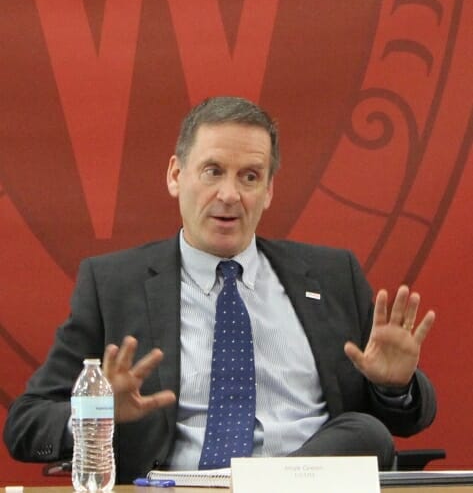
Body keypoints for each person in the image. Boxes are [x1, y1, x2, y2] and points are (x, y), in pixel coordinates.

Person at [4, 96, 436, 483]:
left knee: (365, 435)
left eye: (250, 177)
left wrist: (393, 387)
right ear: (176, 175)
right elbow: (25, 425)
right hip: (175, 484)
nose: (229, 194)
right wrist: (99, 414)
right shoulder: (112, 284)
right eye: (213, 171)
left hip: (305, 483)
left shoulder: (331, 275)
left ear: (268, 191)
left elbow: (402, 422)